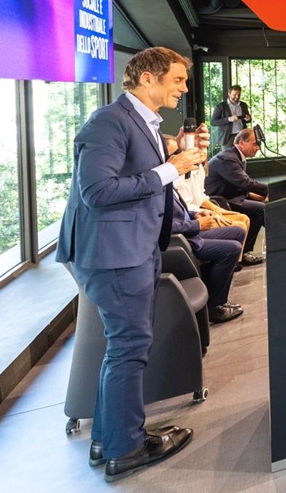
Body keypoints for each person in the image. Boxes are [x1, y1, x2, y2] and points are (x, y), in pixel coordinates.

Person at [56, 47, 201, 480]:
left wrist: (168, 160)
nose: (183, 88)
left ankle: (108, 438)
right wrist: (170, 169)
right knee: (130, 347)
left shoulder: (144, 124)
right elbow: (97, 191)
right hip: (114, 254)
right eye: (177, 79)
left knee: (122, 347)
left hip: (130, 249)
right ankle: (128, 448)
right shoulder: (108, 121)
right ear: (148, 78)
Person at [163, 138, 245, 324]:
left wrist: (197, 214)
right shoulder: (161, 188)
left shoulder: (170, 183)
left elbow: (185, 209)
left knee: (237, 232)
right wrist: (197, 225)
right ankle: (215, 305)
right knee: (232, 248)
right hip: (184, 240)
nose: (181, 157)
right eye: (175, 154)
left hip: (191, 229)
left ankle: (215, 287)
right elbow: (165, 227)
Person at [204, 128, 269, 265]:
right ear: (242, 142)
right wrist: (271, 190)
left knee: (263, 207)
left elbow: (236, 183)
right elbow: (245, 182)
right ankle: (245, 252)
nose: (258, 148)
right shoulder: (227, 159)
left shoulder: (234, 156)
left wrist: (251, 194)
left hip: (231, 195)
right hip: (222, 200)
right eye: (255, 144)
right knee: (261, 209)